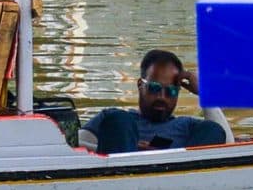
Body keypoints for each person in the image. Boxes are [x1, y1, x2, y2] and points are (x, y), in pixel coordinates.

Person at [86, 50, 227, 155]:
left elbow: (229, 145)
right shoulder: (113, 118)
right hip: (119, 178)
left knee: (212, 129)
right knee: (119, 120)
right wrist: (131, 148)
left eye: (171, 91)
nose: (162, 97)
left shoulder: (187, 126)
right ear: (140, 85)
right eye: (155, 88)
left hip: (175, 179)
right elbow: (73, 147)